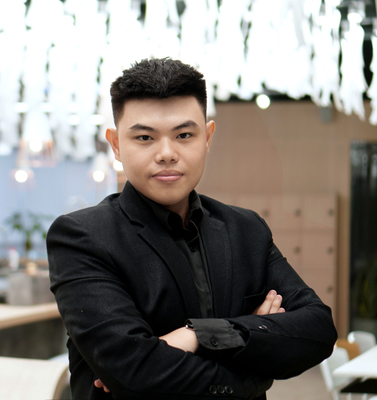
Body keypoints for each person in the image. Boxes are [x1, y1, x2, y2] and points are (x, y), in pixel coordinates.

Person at [47, 58, 337, 400]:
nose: (167, 153)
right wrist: (253, 370)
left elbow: (318, 329)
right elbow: (134, 372)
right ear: (116, 145)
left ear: (208, 137)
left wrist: (197, 335)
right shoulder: (82, 237)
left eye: (184, 135)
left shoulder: (246, 230)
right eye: (144, 137)